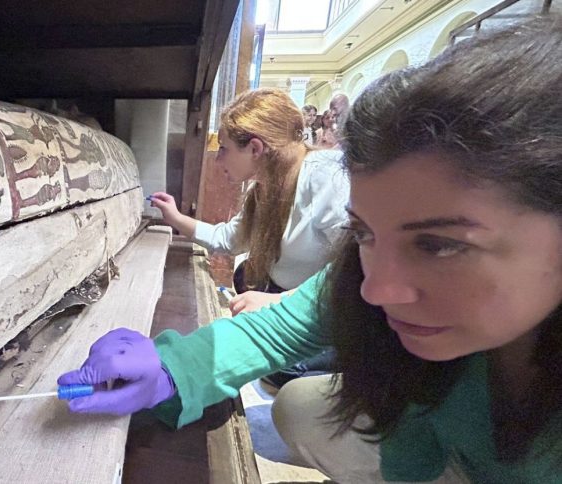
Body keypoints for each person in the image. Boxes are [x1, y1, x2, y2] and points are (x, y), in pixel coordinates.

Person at [59, 15, 562, 483]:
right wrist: (171, 369)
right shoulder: (287, 213)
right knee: (299, 406)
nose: (377, 288)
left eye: (440, 245)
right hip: (441, 444)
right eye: (364, 234)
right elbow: (279, 328)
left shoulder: (320, 182)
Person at [148, 88, 348, 316]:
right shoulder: (262, 188)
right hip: (286, 303)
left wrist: (279, 301)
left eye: (224, 148)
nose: (218, 159)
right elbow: (228, 239)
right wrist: (175, 217)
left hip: (318, 313)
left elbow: (352, 267)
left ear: (255, 148)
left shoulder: (323, 174)